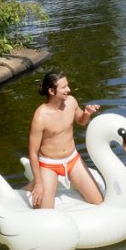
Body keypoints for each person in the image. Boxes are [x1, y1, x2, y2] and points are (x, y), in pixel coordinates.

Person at [26, 71, 102, 209]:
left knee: (98, 202)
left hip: (73, 160)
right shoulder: (40, 116)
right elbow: (32, 152)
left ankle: (39, 182)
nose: (69, 90)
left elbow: (81, 121)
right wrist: (39, 183)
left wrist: (87, 114)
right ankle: (32, 184)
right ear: (51, 91)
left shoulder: (71, 102)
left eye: (67, 85)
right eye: (64, 87)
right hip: (49, 165)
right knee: (45, 213)